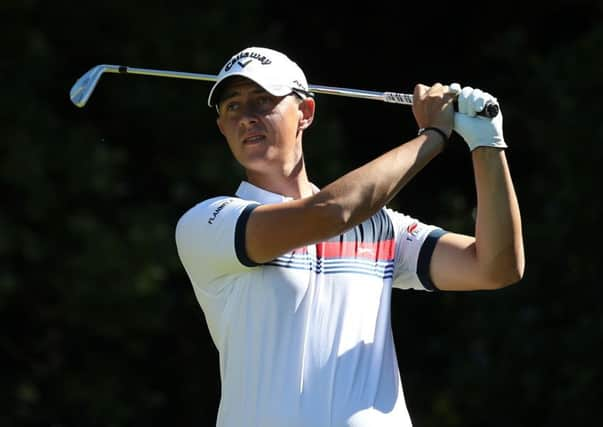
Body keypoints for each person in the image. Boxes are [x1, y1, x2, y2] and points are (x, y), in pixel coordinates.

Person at [175, 46, 524, 427]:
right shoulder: (208, 224)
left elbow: (496, 267)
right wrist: (433, 137)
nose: (247, 118)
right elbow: (330, 213)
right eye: (233, 107)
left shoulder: (380, 226)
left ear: (305, 113)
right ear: (222, 126)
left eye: (264, 100)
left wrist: (487, 146)